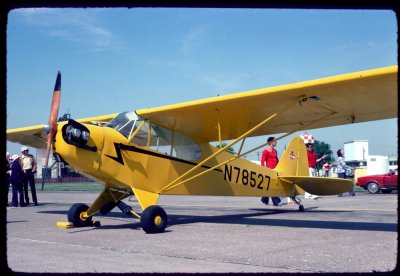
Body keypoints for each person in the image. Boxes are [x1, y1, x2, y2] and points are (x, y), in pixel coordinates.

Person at [260, 137, 281, 207]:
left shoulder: (275, 151)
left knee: (269, 187)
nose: (276, 142)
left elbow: (277, 160)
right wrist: (263, 170)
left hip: (275, 170)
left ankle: (264, 200)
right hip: (269, 171)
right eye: (275, 141)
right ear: (270, 142)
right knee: (272, 187)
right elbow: (262, 161)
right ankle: (276, 202)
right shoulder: (265, 151)